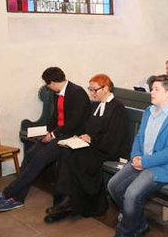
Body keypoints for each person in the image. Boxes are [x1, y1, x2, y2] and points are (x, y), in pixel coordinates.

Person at [102, 75, 168, 237]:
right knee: (114, 186)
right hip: (143, 161)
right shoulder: (149, 111)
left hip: (167, 167)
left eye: (156, 89)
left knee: (132, 193)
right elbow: (139, 137)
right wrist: (136, 155)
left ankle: (123, 233)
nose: (152, 92)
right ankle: (140, 224)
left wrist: (145, 161)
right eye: (152, 88)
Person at [0, 67, 90, 212]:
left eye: (48, 84)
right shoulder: (57, 92)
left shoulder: (77, 93)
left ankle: (7, 193)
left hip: (71, 136)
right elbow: (55, 115)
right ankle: (17, 198)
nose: (48, 87)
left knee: (38, 159)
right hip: (58, 134)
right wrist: (47, 131)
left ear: (52, 82)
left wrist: (52, 135)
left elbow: (75, 122)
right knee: (30, 155)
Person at [44, 73, 130, 223]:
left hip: (108, 150)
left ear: (107, 88)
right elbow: (90, 127)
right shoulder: (98, 106)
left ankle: (78, 203)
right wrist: (81, 136)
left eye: (94, 90)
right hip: (95, 146)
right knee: (66, 152)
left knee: (77, 158)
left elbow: (115, 138)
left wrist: (92, 140)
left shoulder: (117, 108)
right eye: (90, 89)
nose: (91, 93)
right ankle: (66, 200)